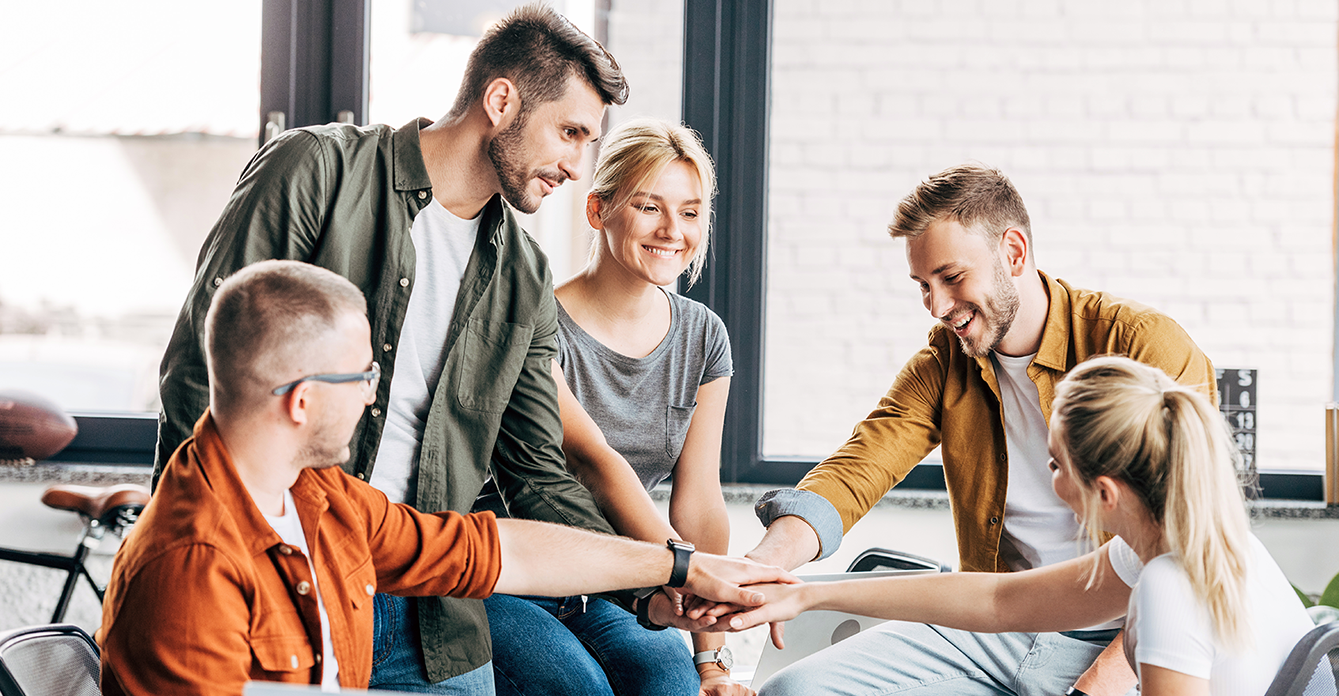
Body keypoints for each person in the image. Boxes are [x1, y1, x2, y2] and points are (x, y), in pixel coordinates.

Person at [153, 4, 638, 692]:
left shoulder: (524, 276)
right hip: (289, 576)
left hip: (434, 614)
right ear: (501, 101)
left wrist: (651, 583)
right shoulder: (318, 170)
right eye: (570, 133)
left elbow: (535, 469)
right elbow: (200, 372)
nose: (576, 166)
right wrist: (200, 549)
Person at [100, 260, 794, 696]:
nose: (373, 394)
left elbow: (496, 550)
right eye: (362, 375)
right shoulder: (193, 570)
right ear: (302, 401)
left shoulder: (318, 499)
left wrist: (678, 569)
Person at [742, 163, 1217, 696]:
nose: (937, 307)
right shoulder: (945, 362)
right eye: (924, 286)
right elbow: (858, 467)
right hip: (999, 620)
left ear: (1013, 252)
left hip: (1121, 639)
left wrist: (1097, 684)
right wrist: (760, 567)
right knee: (795, 691)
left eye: (951, 277)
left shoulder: (1142, 345)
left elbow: (1192, 549)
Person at [727, 356, 1321, 696]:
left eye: (1057, 465)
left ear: (1105, 492)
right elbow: (1001, 601)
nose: (1047, 476)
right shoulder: (1205, 547)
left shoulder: (1170, 586)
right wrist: (808, 595)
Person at [484, 119, 745, 696]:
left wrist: (711, 661)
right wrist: (686, 570)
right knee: (579, 688)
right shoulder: (537, 322)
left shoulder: (704, 336)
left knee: (670, 686)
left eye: (690, 212)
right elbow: (592, 463)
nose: (672, 231)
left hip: (619, 583)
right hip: (513, 576)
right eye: (650, 207)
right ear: (598, 210)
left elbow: (700, 501)